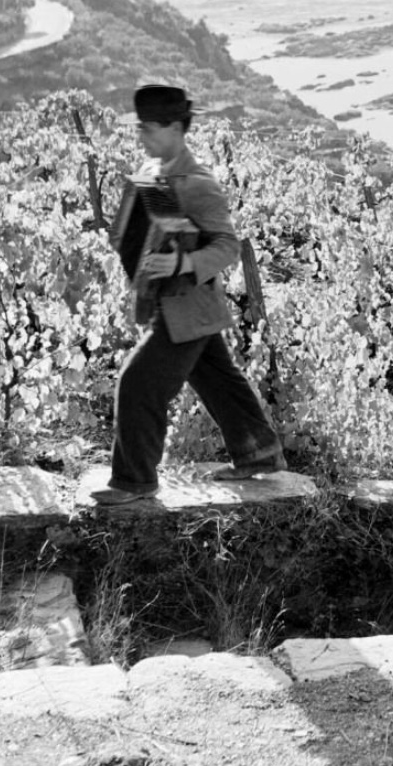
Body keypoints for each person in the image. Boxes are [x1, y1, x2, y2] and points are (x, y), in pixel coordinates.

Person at [94, 85, 285, 506]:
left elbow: (228, 246)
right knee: (218, 380)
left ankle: (134, 481)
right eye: (139, 126)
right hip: (175, 307)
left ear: (176, 128)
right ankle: (259, 454)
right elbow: (145, 235)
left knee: (137, 382)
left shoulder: (198, 185)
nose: (141, 135)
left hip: (190, 309)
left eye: (149, 127)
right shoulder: (154, 174)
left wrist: (180, 265)